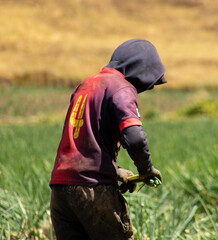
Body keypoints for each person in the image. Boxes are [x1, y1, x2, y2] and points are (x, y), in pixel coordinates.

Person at [49, 39, 166, 240]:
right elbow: (135, 138)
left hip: (60, 189)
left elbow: (83, 140)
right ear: (139, 68)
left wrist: (115, 171)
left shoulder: (86, 84)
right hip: (93, 189)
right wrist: (145, 170)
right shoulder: (121, 88)